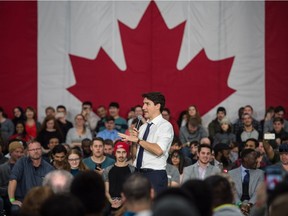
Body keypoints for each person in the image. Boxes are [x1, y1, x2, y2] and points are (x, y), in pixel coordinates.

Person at [118, 92, 174, 193]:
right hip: (137, 173)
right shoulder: (143, 127)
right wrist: (134, 142)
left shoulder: (165, 126)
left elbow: (158, 150)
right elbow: (134, 156)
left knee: (153, 208)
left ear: (157, 106)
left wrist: (138, 140)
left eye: (147, 104)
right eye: (143, 104)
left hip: (154, 175)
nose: (143, 107)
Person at [8, 140, 54, 206]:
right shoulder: (21, 162)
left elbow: (51, 189)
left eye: (37, 149)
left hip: (42, 202)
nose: (35, 151)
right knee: (15, 210)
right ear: (28, 152)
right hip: (23, 201)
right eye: (32, 149)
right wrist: (12, 200)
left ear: (41, 150)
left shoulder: (49, 168)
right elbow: (13, 180)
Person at [103, 141, 134, 211]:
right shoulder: (108, 170)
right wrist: (111, 201)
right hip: (111, 203)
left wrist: (122, 201)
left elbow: (133, 190)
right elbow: (106, 191)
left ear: (127, 154)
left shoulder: (132, 170)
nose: (121, 155)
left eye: (124, 152)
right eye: (119, 152)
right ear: (115, 153)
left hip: (127, 203)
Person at [0, 141, 24, 215]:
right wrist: (11, 189)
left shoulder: (26, 167)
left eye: (21, 152)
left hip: (24, 197)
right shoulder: (2, 168)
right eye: (16, 152)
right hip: (8, 198)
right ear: (10, 153)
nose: (19, 154)